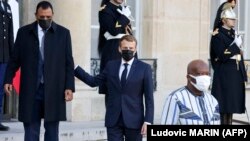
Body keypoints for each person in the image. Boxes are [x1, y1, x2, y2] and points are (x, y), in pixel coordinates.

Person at [4, 1, 75, 140]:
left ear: (53, 15)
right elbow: (14, 59)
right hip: (31, 90)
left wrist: (69, 86)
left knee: (52, 132)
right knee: (30, 132)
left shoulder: (63, 34)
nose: (45, 20)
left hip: (54, 89)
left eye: (48, 17)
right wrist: (8, 79)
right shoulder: (24, 33)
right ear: (36, 15)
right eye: (42, 17)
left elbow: (68, 63)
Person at [75, 35, 154, 141]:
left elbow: (149, 98)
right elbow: (93, 82)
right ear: (119, 49)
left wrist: (148, 121)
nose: (128, 50)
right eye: (125, 48)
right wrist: (75, 68)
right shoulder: (111, 66)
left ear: (135, 50)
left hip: (135, 121)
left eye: (131, 48)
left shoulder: (145, 68)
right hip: (113, 120)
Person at [210, 4, 247, 125]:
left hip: (235, 73)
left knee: (231, 107)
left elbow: (239, 55)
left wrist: (243, 74)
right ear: (224, 20)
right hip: (225, 74)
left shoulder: (233, 34)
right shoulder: (218, 35)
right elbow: (222, 55)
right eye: (231, 19)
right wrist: (236, 46)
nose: (234, 21)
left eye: (234, 19)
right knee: (224, 106)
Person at [161, 59, 220, 125]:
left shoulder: (213, 100)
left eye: (207, 74)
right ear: (189, 77)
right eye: (200, 74)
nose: (205, 78)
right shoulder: (176, 98)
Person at [97, 0, 134, 105]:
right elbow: (114, 30)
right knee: (112, 89)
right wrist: (125, 17)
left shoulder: (122, 9)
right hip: (113, 51)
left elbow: (129, 34)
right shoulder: (105, 10)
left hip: (127, 50)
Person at [0, 0, 14, 131]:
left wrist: (12, 55)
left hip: (4, 56)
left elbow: (10, 33)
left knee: (0, 89)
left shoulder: (7, 6)